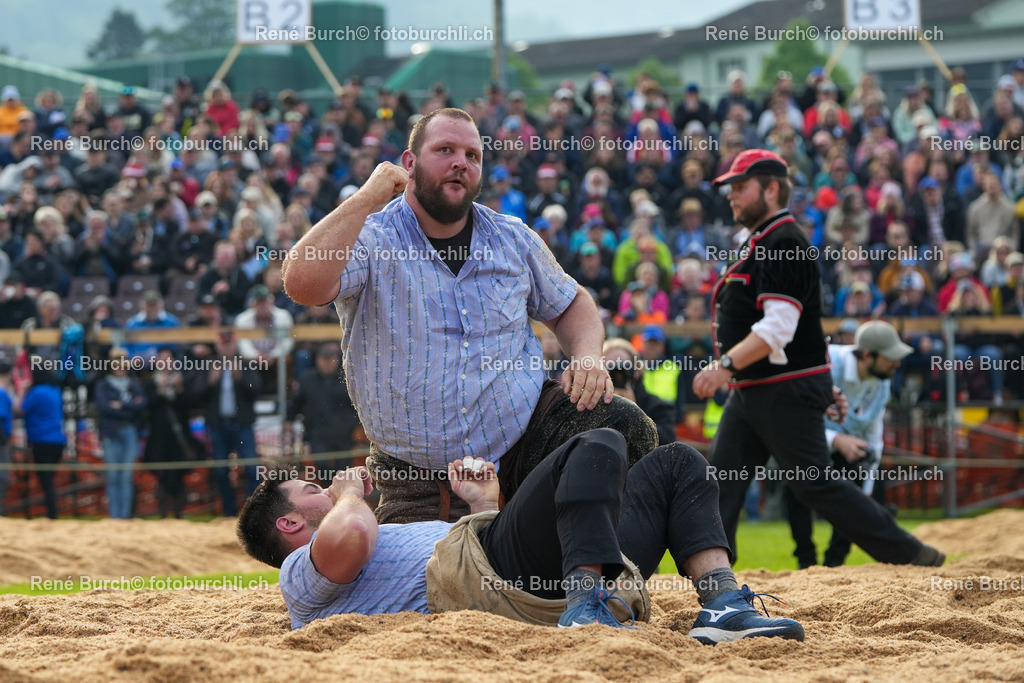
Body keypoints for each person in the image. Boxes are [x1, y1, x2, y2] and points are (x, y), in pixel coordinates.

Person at [282, 107, 656, 524]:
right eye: (445, 149)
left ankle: (598, 578)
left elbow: (571, 303)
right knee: (430, 587)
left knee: (625, 426)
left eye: (472, 155)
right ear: (409, 164)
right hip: (416, 479)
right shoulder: (372, 237)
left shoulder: (512, 237)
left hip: (523, 449)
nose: (461, 162)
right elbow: (301, 284)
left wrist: (586, 355)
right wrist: (368, 197)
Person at [238, 428, 805, 644]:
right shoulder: (301, 574)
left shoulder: (357, 535)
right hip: (493, 581)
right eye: (310, 490)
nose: (325, 489)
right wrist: (347, 493)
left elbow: (479, 553)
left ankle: (722, 604)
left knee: (677, 462)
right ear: (290, 524)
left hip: (514, 573)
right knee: (597, 443)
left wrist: (483, 505)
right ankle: (587, 604)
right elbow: (356, 533)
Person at [692, 149, 944, 567]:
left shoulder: (784, 242)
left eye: (741, 187)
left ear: (771, 189)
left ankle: (911, 555)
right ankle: (714, 578)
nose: (732, 197)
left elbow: (780, 328)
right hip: (758, 389)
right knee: (720, 482)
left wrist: (725, 366)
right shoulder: (761, 242)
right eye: (730, 188)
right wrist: (824, 383)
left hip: (777, 390)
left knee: (815, 485)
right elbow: (806, 330)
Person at [785, 321, 911, 569]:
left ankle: (835, 563)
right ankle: (806, 562)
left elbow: (874, 436)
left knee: (857, 494)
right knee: (795, 486)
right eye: (890, 358)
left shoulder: (882, 380)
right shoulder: (827, 365)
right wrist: (836, 440)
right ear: (867, 355)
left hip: (849, 447)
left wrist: (867, 491)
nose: (897, 363)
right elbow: (791, 418)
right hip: (802, 442)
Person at [186, 327, 261, 516]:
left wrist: (240, 377)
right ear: (218, 345)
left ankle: (250, 514)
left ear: (234, 344)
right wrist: (211, 381)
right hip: (217, 426)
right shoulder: (208, 365)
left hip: (242, 424)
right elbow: (195, 394)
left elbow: (256, 390)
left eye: (229, 343)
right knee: (220, 471)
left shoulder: (245, 363)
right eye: (223, 343)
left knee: (251, 469)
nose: (227, 347)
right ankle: (228, 512)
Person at [285, 342, 362, 486]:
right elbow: (296, 402)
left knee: (343, 470)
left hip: (344, 432)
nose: (328, 363)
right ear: (317, 360)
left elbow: (357, 405)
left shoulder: (346, 379)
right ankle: (327, 496)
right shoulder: (307, 379)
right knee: (322, 467)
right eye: (324, 359)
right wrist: (288, 420)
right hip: (317, 432)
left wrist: (357, 426)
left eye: (331, 359)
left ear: (337, 360)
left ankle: (342, 499)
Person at [94, 348, 147, 519]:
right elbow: (105, 407)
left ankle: (124, 517)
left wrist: (120, 405)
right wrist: (129, 404)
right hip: (111, 431)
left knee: (126, 475)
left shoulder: (134, 384)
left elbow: (141, 405)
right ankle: (114, 516)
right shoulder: (103, 384)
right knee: (113, 474)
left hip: (130, 430)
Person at [144, 347, 197, 518]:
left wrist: (179, 389)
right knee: (161, 475)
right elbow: (147, 408)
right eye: (162, 359)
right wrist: (160, 390)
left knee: (178, 475)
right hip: (158, 438)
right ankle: (163, 514)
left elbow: (190, 406)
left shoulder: (182, 380)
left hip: (178, 437)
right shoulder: (150, 383)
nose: (165, 363)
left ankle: (178, 513)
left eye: (168, 359)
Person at [17, 368, 65, 519]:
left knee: (45, 479)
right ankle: (52, 513)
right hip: (58, 439)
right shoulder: (55, 390)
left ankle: (52, 514)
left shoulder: (37, 392)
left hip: (42, 440)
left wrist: (23, 390)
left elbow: (19, 410)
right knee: (48, 478)